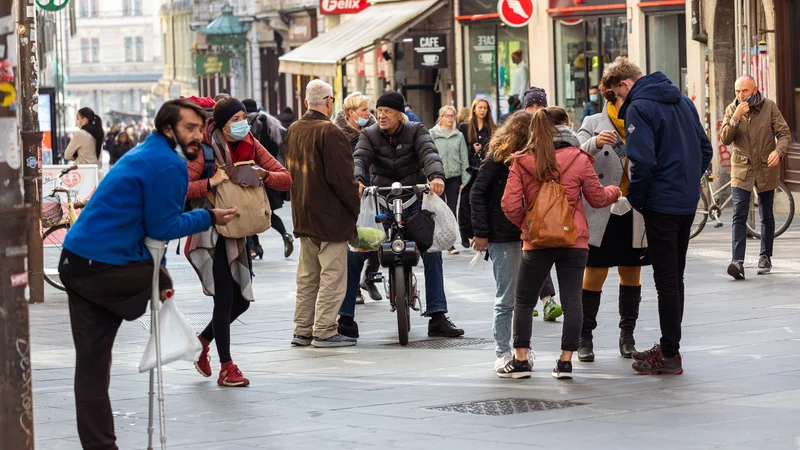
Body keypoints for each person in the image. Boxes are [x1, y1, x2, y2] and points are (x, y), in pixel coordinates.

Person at [58, 99, 238, 450]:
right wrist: (209, 217)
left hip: (78, 261)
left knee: (93, 366)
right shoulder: (167, 165)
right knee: (156, 286)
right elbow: (162, 227)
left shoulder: (146, 153)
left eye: (200, 129)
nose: (198, 136)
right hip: (100, 266)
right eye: (189, 128)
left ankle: (100, 445)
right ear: (167, 129)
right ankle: (173, 328)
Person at [604, 57, 712, 375]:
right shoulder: (683, 101)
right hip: (686, 201)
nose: (619, 102)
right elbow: (705, 150)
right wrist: (687, 183)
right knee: (675, 277)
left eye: (616, 94)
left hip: (661, 204)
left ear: (625, 84)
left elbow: (643, 161)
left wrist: (640, 199)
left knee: (665, 281)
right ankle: (669, 346)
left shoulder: (640, 107)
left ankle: (670, 355)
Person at [499, 107, 621, 380]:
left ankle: (520, 362)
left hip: (536, 241)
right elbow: (597, 198)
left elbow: (508, 204)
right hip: (573, 239)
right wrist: (614, 191)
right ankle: (565, 362)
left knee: (523, 300)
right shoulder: (579, 158)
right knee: (572, 300)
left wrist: (528, 225)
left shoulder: (522, 160)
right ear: (567, 127)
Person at [185, 96, 292, 386]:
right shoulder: (203, 150)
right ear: (220, 124)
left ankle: (201, 343)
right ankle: (226, 367)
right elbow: (180, 189)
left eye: (243, 117)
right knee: (225, 297)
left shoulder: (250, 143)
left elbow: (286, 178)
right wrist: (212, 181)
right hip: (210, 230)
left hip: (240, 228)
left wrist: (264, 174)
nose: (241, 123)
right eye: (235, 119)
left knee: (242, 302)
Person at [350, 91, 465, 338]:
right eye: (378, 111)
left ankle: (438, 315)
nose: (381, 115)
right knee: (357, 252)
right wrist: (357, 180)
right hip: (381, 202)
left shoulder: (416, 130)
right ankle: (346, 319)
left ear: (400, 114)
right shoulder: (368, 134)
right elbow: (359, 158)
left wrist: (435, 176)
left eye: (387, 111)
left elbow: (429, 153)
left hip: (413, 199)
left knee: (432, 251)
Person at [470, 110, 562, 374]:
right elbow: (476, 194)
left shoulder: (533, 160)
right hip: (505, 237)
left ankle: (521, 348)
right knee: (507, 298)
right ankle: (502, 351)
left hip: (529, 234)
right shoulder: (497, 161)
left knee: (524, 299)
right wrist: (482, 232)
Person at [576, 81, 650, 362]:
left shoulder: (642, 123)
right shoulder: (593, 122)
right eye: (627, 99)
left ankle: (627, 336)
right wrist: (595, 142)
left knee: (631, 272)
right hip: (601, 207)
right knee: (595, 272)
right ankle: (585, 337)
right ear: (616, 98)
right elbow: (574, 154)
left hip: (633, 207)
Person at [285, 80, 361, 348]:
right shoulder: (330, 132)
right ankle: (325, 330)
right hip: (330, 216)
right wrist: (355, 206)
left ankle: (302, 329)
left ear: (307, 102)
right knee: (332, 275)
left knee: (307, 276)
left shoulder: (293, 129)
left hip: (304, 213)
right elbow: (342, 179)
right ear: (329, 102)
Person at [719, 74, 791, 279]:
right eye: (737, 91)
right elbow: (725, 139)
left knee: (766, 214)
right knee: (738, 214)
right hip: (742, 168)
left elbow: (784, 134)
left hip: (765, 167)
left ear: (755, 90)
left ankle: (765, 256)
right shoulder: (732, 110)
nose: (741, 96)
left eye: (745, 91)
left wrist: (778, 152)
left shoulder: (769, 107)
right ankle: (737, 261)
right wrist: (735, 119)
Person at [333, 92, 382, 304]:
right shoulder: (337, 134)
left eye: (368, 109)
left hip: (374, 189)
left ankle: (370, 276)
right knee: (354, 240)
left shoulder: (374, 129)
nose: (368, 113)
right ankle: (354, 288)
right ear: (351, 113)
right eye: (363, 110)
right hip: (350, 191)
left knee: (378, 236)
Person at [242, 98, 295, 259]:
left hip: (255, 175)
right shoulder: (272, 123)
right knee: (267, 211)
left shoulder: (249, 124)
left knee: (250, 211)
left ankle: (254, 246)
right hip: (272, 174)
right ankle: (284, 235)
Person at [430, 105, 470, 255]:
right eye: (447, 115)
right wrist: (429, 177)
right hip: (438, 177)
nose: (450, 119)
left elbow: (464, 158)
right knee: (439, 210)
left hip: (454, 177)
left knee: (452, 210)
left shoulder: (458, 135)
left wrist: (465, 180)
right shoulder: (432, 134)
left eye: (452, 116)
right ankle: (439, 239)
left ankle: (450, 243)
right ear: (441, 117)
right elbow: (428, 156)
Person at [458, 98, 497, 247]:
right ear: (474, 109)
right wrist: (471, 150)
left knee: (482, 200)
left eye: (485, 108)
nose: (482, 110)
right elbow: (460, 150)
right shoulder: (465, 127)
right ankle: (464, 232)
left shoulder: (491, 127)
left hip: (485, 168)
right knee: (465, 201)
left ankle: (480, 231)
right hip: (469, 167)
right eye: (480, 107)